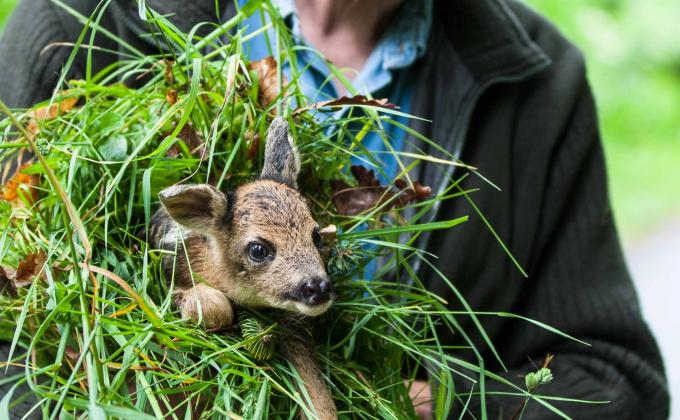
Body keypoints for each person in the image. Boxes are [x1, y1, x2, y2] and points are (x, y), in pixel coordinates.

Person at [0, 0, 670, 418]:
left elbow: (621, 389)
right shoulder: (85, 21)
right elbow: (17, 345)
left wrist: (436, 402)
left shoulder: (535, 80)